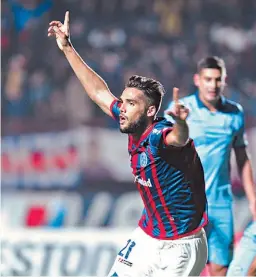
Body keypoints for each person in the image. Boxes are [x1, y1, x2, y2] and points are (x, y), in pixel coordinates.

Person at [48, 12, 208, 277]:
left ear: (150, 111)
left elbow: (178, 139)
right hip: (148, 235)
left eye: (131, 103)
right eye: (123, 102)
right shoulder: (132, 123)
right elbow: (99, 92)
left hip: (181, 247)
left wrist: (181, 123)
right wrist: (67, 48)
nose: (122, 108)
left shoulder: (160, 135)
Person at [165, 56, 256, 276]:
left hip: (220, 203)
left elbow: (243, 159)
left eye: (218, 80)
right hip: (185, 202)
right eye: (208, 79)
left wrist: (253, 202)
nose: (213, 85)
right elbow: (164, 151)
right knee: (181, 268)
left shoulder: (234, 113)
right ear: (197, 80)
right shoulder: (180, 109)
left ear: (224, 81)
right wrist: (178, 123)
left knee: (220, 268)